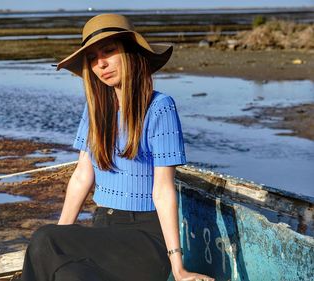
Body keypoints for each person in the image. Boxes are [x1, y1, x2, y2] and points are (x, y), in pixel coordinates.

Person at [19, 14, 214, 281]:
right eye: (93, 58)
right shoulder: (95, 111)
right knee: (67, 273)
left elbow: (163, 190)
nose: (101, 63)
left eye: (109, 51)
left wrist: (177, 267)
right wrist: (61, 239)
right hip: (104, 229)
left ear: (130, 53)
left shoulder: (160, 107)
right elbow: (81, 177)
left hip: (144, 240)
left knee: (45, 238)